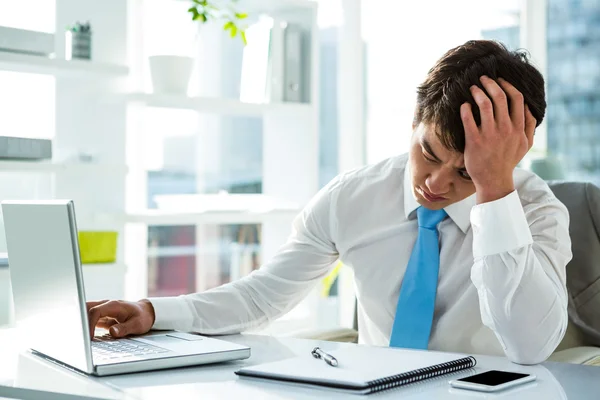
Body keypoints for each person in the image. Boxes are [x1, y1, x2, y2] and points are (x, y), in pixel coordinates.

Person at [87, 40, 572, 365]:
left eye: (465, 171)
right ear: (413, 123)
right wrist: (154, 312)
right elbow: (263, 296)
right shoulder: (353, 196)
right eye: (428, 153)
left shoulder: (536, 211)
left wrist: (493, 191)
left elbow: (530, 346)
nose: (436, 184)